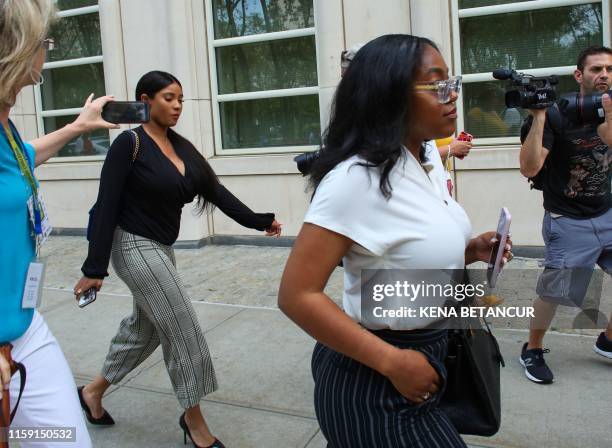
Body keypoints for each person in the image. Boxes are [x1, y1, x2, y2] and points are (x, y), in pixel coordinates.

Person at [278, 35, 512, 447]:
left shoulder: (424, 160)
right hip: (374, 380)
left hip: (428, 359)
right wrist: (393, 361)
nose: (452, 94)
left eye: (451, 81)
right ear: (388, 95)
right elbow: (297, 295)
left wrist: (471, 249)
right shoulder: (356, 179)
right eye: (436, 84)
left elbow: (402, 248)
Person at [73, 70, 282, 448]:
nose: (177, 106)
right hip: (131, 245)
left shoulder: (180, 147)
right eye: (169, 97)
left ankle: (92, 392)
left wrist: (258, 221)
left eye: (181, 99)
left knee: (146, 329)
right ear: (145, 99)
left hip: (161, 250)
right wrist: (94, 268)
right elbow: (106, 206)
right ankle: (194, 423)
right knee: (183, 326)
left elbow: (215, 191)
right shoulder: (129, 144)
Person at [0, 1, 118, 446]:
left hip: (24, 329)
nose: (46, 53)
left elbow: (24, 158)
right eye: (44, 43)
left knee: (64, 439)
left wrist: (76, 127)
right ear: (17, 48)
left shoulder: (5, 127)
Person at [519, 45, 612, 384]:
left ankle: (608, 341)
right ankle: (532, 348)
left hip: (606, 211)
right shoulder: (558, 114)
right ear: (579, 75)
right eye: (596, 69)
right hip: (567, 221)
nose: (604, 75)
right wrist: (539, 117)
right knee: (555, 292)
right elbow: (529, 169)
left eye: (610, 70)